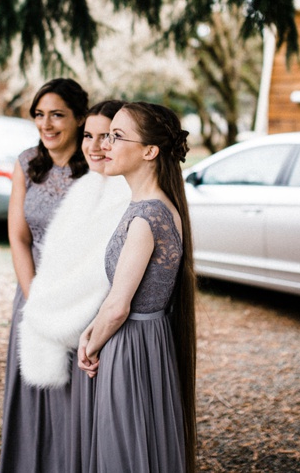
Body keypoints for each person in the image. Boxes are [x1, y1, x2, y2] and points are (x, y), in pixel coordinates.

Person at [77, 102, 198, 473]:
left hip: (131, 347)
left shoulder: (148, 216)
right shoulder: (158, 207)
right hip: (149, 343)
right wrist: (91, 329)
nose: (105, 145)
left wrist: (90, 343)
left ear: (149, 151)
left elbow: (118, 306)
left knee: (124, 450)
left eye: (116, 136)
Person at [18, 100, 131, 471]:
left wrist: (59, 316)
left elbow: (97, 276)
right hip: (64, 322)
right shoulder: (85, 189)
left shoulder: (126, 196)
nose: (95, 146)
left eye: (108, 137)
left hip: (98, 333)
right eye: (89, 136)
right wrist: (44, 304)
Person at [0, 78, 89, 472]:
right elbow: (18, 237)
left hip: (79, 298)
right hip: (32, 292)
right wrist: (34, 297)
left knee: (75, 391)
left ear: (80, 117)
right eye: (39, 115)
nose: (46, 124)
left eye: (57, 115)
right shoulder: (26, 163)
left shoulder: (97, 170)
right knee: (33, 385)